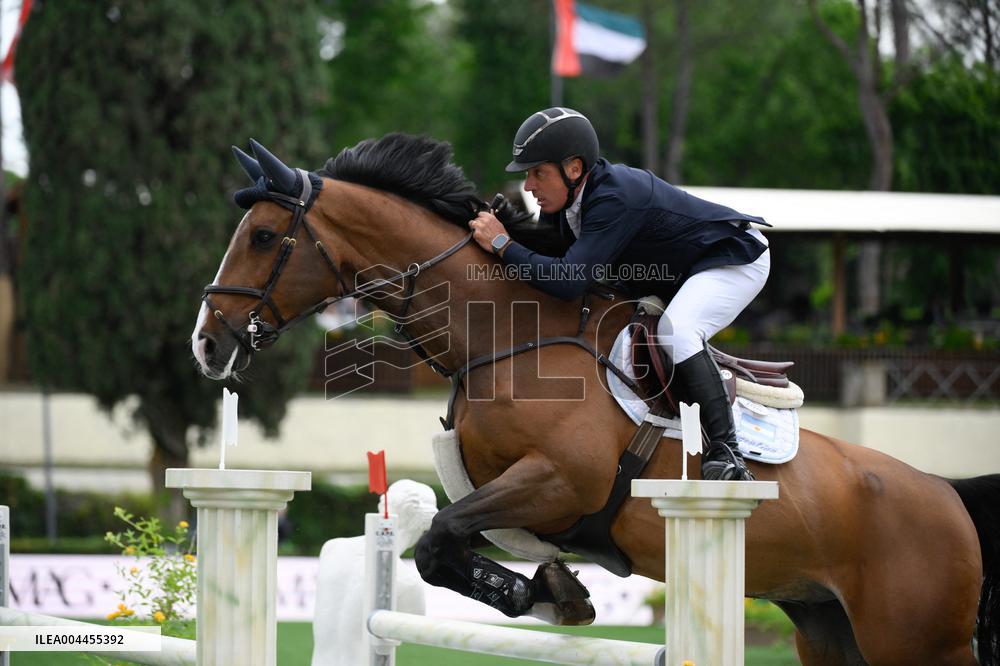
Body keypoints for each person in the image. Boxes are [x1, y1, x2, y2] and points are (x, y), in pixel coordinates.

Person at [468, 107, 771, 481]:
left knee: (677, 331)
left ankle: (727, 452)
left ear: (574, 169)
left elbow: (566, 281)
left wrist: (501, 242)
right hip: (674, 272)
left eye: (537, 173)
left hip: (732, 259)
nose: (529, 186)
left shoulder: (616, 196)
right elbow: (546, 268)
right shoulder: (564, 205)